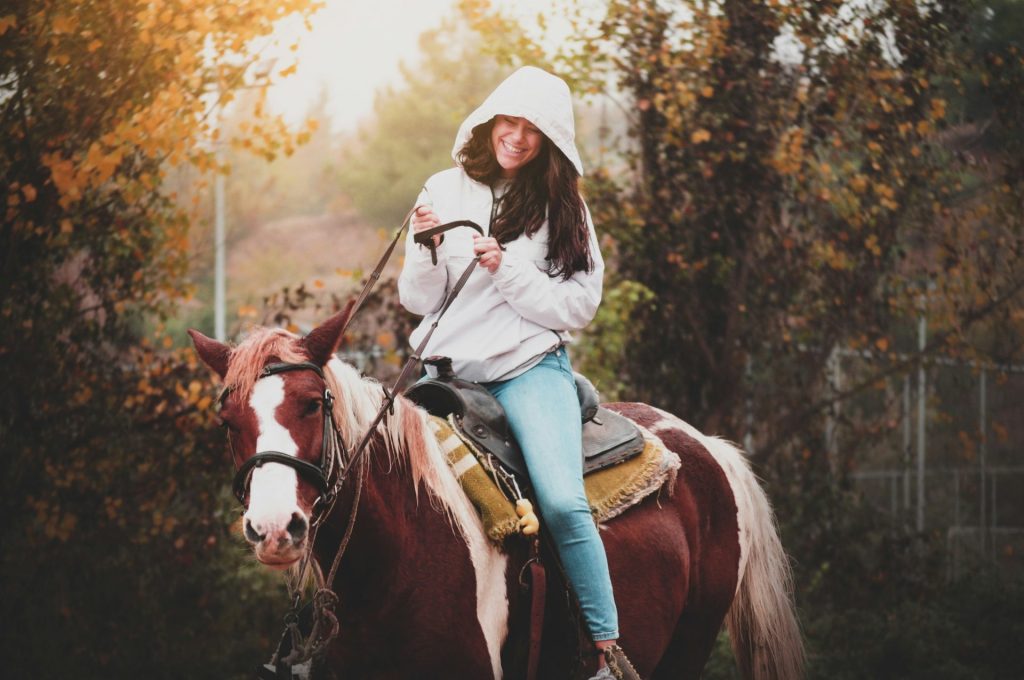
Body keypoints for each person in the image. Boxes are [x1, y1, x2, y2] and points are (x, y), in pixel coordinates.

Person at [397, 66, 637, 680]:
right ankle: (320, 638)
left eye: (533, 130)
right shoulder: (442, 189)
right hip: (445, 374)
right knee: (369, 478)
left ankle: (607, 653)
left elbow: (579, 307)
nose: (518, 137)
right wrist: (425, 249)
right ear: (489, 122)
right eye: (510, 122)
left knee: (560, 502)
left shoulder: (564, 208)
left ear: (549, 141)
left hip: (526, 369)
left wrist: (508, 269)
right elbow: (417, 299)